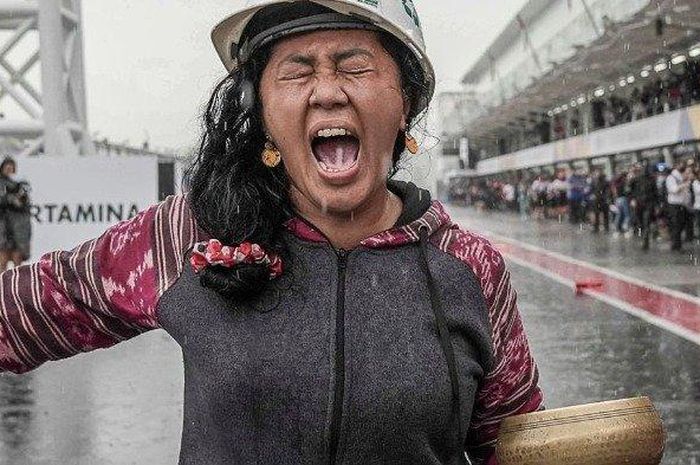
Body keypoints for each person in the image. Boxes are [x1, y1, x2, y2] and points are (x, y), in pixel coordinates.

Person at [0, 2, 544, 464]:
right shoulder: (191, 233)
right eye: (297, 71)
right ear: (258, 112)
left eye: (355, 67)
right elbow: (24, 310)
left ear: (406, 104)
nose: (327, 92)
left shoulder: (470, 268)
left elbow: (517, 444)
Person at [0, 157, 31, 272]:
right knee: (2, 259)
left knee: (17, 259)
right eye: (6, 168)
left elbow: (24, 206)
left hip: (17, 229)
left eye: (11, 168)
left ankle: (17, 286)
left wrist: (19, 199)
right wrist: (8, 198)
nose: (9, 170)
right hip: (3, 228)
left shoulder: (20, 185)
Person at [629, 163, 659, 250]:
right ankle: (643, 237)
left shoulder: (651, 180)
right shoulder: (635, 180)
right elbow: (629, 191)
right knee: (640, 222)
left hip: (648, 203)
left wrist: (656, 205)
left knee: (646, 221)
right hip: (639, 204)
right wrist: (632, 199)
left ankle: (645, 240)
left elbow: (655, 193)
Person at [665, 161, 691, 251]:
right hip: (674, 205)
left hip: (682, 204)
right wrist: (683, 185)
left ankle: (677, 244)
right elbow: (674, 190)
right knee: (676, 225)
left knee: (681, 225)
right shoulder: (671, 177)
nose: (682, 166)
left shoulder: (681, 177)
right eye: (681, 164)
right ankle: (676, 245)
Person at [590, 169, 611, 233]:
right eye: (595, 173)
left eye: (598, 173)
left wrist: (606, 198)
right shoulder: (593, 181)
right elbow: (591, 190)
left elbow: (607, 191)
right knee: (596, 214)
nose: (596, 174)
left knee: (605, 214)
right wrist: (592, 195)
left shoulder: (605, 181)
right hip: (596, 200)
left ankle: (606, 228)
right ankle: (596, 228)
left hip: (603, 200)